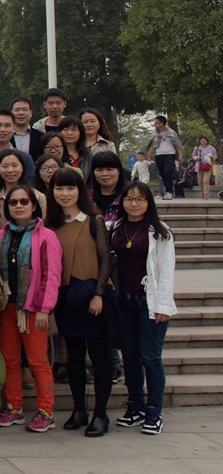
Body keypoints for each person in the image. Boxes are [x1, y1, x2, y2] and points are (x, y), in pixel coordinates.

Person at [48, 167, 115, 436]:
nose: (64, 193)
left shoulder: (94, 220)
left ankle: (101, 414)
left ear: (80, 191)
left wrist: (99, 294)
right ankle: (79, 410)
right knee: (73, 358)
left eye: (70, 188)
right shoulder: (51, 224)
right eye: (59, 188)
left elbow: (106, 260)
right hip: (65, 298)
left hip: (91, 296)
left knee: (99, 357)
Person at [0, 185, 62, 433]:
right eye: (13, 202)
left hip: (33, 310)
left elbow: (52, 275)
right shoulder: (1, 236)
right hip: (6, 308)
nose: (19, 206)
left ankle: (46, 411)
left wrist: (44, 309)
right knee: (10, 360)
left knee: (38, 361)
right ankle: (14, 408)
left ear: (34, 206)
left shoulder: (46, 236)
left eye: (24, 201)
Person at [111, 181, 177, 434]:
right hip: (124, 302)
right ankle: (136, 405)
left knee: (151, 358)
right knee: (130, 357)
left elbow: (166, 271)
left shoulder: (160, 231)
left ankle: (154, 410)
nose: (134, 204)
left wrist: (163, 306)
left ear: (149, 202)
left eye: (140, 199)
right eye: (129, 199)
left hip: (148, 303)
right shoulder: (115, 228)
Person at [0, 148, 47, 225]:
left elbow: (43, 226)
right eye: (5, 166)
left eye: (14, 165)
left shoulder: (37, 196)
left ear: (22, 168)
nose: (10, 170)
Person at [0, 110, 37, 182]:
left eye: (7, 125)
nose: (3, 129)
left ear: (14, 127)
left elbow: (30, 184)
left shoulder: (25, 158)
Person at [89, 151, 126, 223]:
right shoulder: (88, 198)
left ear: (119, 171)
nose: (104, 174)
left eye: (109, 169)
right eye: (99, 170)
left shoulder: (128, 195)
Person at [8, 96, 44, 160]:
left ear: (31, 113)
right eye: (17, 110)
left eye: (25, 109)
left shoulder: (41, 137)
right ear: (10, 113)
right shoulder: (4, 136)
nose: (21, 113)